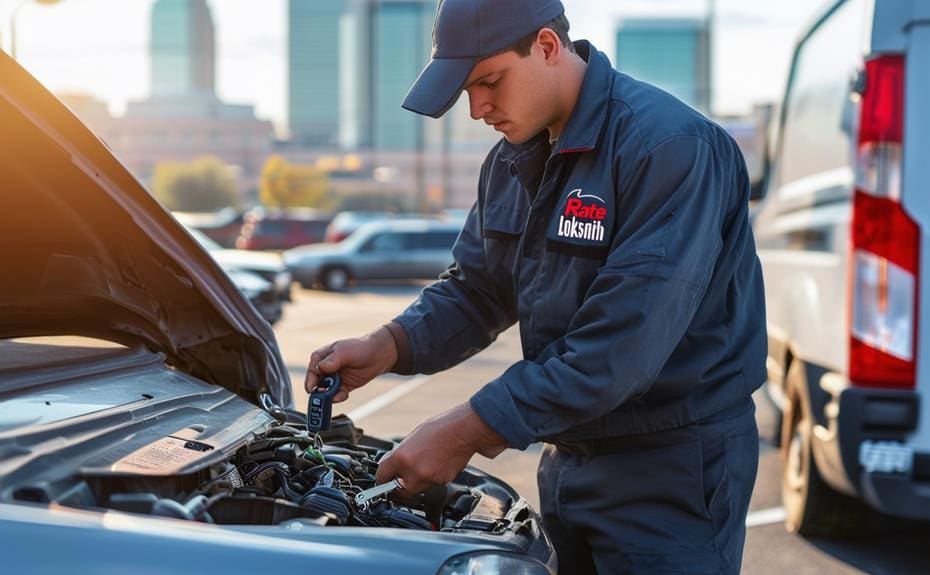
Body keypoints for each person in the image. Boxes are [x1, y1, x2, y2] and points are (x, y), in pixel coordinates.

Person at [305, 0, 767, 572]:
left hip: (672, 468)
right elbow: (478, 290)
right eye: (466, 91)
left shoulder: (669, 149)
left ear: (547, 46)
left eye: (488, 81)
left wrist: (466, 428)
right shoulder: (511, 162)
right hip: (568, 457)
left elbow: (617, 350)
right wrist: (389, 345)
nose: (477, 108)